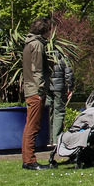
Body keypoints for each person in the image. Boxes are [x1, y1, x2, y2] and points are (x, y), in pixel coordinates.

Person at [21, 17, 53, 170]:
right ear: (44, 30)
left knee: (30, 125)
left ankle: (28, 159)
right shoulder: (38, 45)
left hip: (29, 88)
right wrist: (41, 90)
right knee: (33, 125)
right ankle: (29, 160)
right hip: (35, 90)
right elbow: (37, 70)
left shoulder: (28, 44)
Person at [47, 48, 74, 142]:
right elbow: (69, 74)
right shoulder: (63, 58)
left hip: (47, 87)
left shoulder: (46, 56)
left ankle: (48, 138)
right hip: (59, 88)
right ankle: (56, 139)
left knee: (47, 112)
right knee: (58, 112)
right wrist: (70, 87)